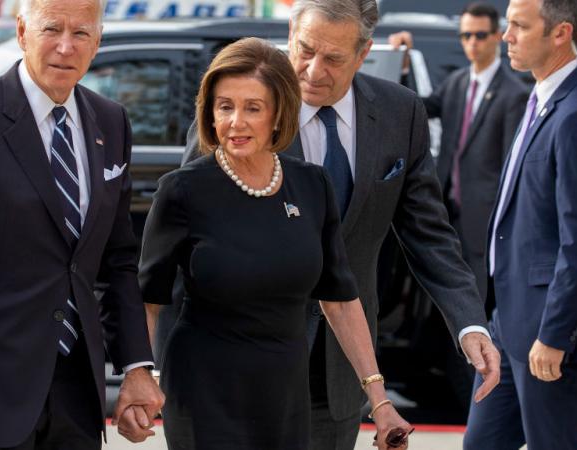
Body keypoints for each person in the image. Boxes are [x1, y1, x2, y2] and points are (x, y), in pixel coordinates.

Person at [183, 1, 501, 448]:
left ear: (363, 52)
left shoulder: (399, 113)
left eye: (333, 58)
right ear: (290, 36)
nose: (314, 71)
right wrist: (160, 369)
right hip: (239, 363)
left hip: (341, 373)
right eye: (305, 50)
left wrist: (470, 323)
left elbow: (429, 235)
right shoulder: (242, 107)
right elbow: (183, 243)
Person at [0, 0, 163, 448]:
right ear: (22, 33)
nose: (66, 46)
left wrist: (137, 367)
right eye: (52, 29)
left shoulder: (111, 121)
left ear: (98, 42)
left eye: (81, 33)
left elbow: (117, 261)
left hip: (76, 394)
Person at [139, 37, 413, 450]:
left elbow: (340, 299)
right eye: (224, 107)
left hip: (285, 390)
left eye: (252, 108)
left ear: (279, 113)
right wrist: (139, 377)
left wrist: (379, 399)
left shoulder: (312, 185)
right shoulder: (181, 190)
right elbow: (148, 300)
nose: (236, 122)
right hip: (204, 390)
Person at [464, 0, 577, 448]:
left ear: (560, 33)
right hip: (510, 322)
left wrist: (555, 335)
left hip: (551, 333)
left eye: (519, 25)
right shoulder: (543, 98)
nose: (506, 36)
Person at [388, 1, 529, 301]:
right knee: (439, 297)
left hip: (483, 217)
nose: (472, 43)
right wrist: (403, 65)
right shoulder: (457, 82)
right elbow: (417, 109)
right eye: (466, 35)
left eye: (480, 35)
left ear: (497, 36)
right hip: (445, 210)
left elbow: (513, 169)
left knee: (476, 299)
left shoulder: (514, 94)